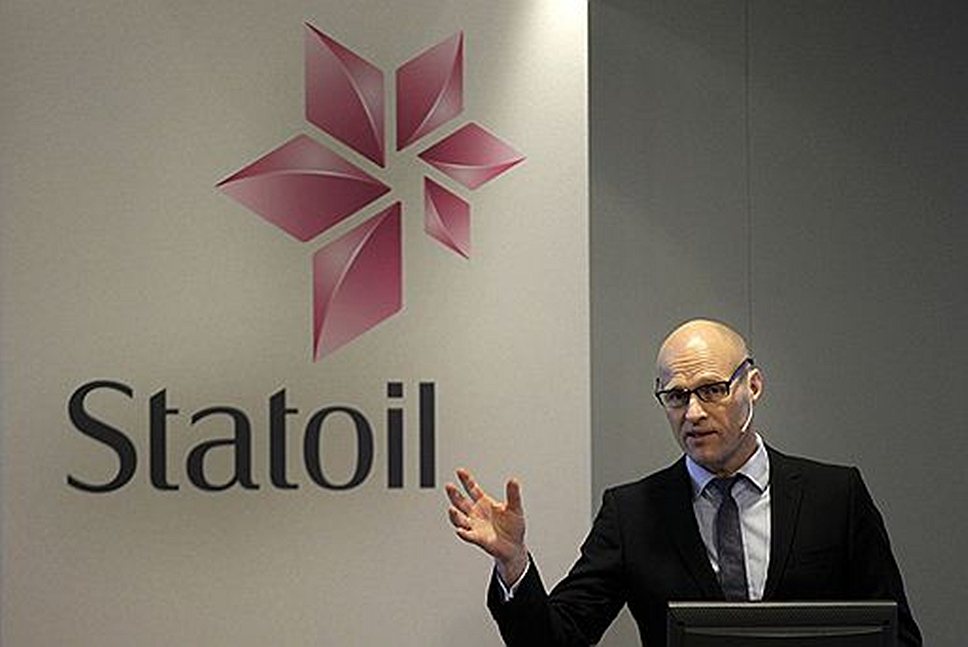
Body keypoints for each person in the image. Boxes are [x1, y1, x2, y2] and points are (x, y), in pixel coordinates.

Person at [445, 319, 921, 646]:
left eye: (712, 390)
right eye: (676, 396)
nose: (693, 413)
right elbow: (557, 640)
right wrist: (513, 564)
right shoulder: (632, 514)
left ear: (753, 386)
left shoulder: (834, 496)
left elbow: (895, 634)